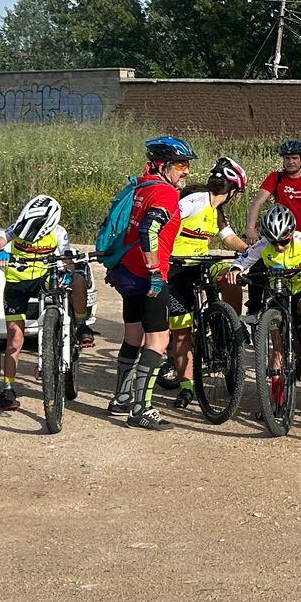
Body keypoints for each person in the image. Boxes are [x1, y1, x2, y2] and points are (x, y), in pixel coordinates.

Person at [107, 136, 195, 431]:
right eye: (182, 165)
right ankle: (140, 408)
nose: (186, 171)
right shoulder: (166, 194)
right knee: (159, 341)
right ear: (164, 165)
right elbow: (148, 230)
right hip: (148, 278)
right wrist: (156, 272)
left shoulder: (140, 186)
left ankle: (121, 398)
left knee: (133, 335)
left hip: (128, 273)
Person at [0, 194, 88, 411]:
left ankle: (79, 326)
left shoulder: (58, 232)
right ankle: (8, 389)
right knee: (15, 338)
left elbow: (68, 258)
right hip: (16, 284)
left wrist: (68, 272)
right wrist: (1, 251)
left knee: (77, 281)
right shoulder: (18, 227)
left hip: (43, 279)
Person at [165, 157, 252, 411]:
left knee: (230, 277)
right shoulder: (195, 201)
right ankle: (187, 387)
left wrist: (253, 252)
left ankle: (230, 323)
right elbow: (167, 223)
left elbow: (231, 239)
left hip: (201, 263)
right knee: (182, 333)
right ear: (234, 191)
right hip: (177, 268)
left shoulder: (217, 211)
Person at [232, 204, 301, 381]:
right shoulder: (263, 244)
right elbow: (245, 259)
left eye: (284, 241)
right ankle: (276, 404)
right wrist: (235, 269)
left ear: (291, 234)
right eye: (273, 242)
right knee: (277, 346)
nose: (278, 247)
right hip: (277, 291)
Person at [247, 139, 301, 243]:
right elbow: (257, 203)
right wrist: (250, 229)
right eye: (287, 158)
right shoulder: (275, 177)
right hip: (282, 237)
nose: (291, 162)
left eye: (295, 158)